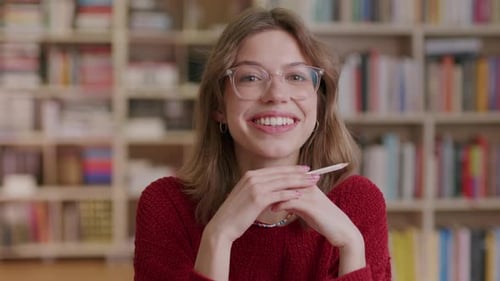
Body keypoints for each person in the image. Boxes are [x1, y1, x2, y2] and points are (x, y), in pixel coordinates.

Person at [134, 7, 391, 281]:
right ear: (219, 106)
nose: (277, 95)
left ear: (320, 104)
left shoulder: (359, 202)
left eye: (296, 77)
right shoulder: (166, 205)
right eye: (251, 77)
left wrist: (351, 245)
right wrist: (219, 236)